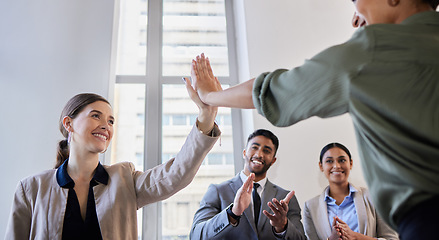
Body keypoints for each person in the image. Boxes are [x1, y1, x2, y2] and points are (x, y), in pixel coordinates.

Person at [190, 1, 439, 239]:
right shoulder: (219, 191)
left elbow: (276, 93)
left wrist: (210, 95)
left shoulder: (374, 48)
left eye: (357, 0)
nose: (356, 18)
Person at [5, 76, 220, 239]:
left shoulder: (124, 179)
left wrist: (206, 117)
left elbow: (175, 175)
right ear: (68, 124)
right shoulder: (31, 189)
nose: (105, 126)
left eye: (111, 121)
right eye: (95, 115)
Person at [190, 129, 306, 240]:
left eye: (266, 150)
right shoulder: (218, 191)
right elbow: (196, 235)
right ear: (244, 152)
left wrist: (283, 226)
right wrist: (232, 213)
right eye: (254, 147)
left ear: (273, 160)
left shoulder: (285, 198)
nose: (259, 154)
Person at [303, 143, 398, 240]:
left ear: (351, 163)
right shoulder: (310, 207)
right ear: (321, 166)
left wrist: (356, 236)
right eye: (329, 161)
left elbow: (392, 239)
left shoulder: (374, 197)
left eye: (342, 160)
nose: (336, 166)